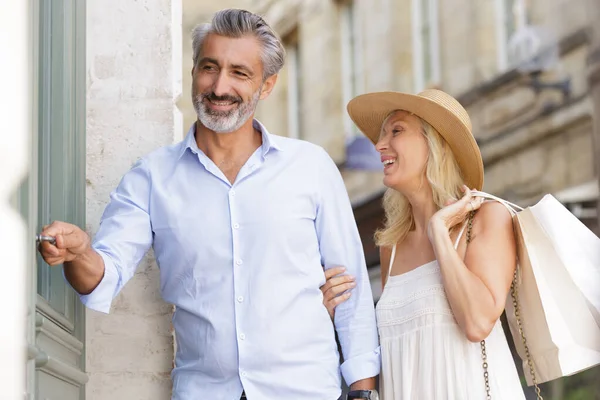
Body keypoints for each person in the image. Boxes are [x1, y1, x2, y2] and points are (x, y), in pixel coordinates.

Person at [38, 9, 380, 400]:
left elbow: (350, 290)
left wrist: (362, 392)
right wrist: (79, 252)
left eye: (240, 73)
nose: (219, 87)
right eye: (209, 67)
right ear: (193, 72)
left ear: (266, 86)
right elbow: (103, 275)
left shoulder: (311, 167)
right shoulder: (152, 177)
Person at [321, 89, 526, 399]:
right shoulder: (391, 247)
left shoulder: (487, 218)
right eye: (382, 135)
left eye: (397, 131)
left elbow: (477, 322)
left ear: (434, 143)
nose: (379, 145)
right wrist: (328, 314)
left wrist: (439, 233)